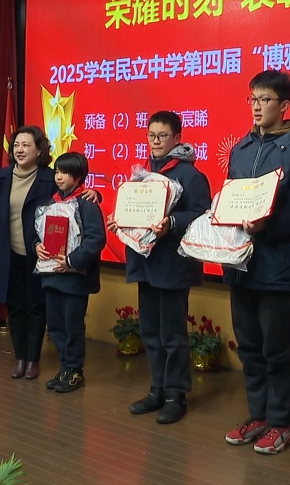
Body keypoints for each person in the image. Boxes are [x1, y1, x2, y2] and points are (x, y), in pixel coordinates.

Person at [222, 70, 290, 455]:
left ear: (284, 105)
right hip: (240, 264)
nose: (256, 107)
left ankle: (281, 422)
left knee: (276, 349)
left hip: (277, 266)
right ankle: (259, 415)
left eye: (264, 100)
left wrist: (269, 223)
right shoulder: (241, 149)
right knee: (249, 346)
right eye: (252, 99)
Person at [107, 111, 211, 424]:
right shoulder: (142, 173)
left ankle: (176, 395)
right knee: (150, 332)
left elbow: (203, 216)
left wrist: (173, 223)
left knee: (172, 335)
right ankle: (157, 389)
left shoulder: (191, 176)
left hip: (174, 265)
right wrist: (120, 221)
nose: (155, 141)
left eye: (162, 136)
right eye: (151, 135)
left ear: (177, 138)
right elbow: (133, 211)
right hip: (145, 262)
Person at [0, 126, 56, 380]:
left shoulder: (50, 178)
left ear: (39, 150)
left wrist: (93, 193)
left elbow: (71, 196)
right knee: (15, 307)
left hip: (38, 255)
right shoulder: (1, 178)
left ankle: (33, 360)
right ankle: (20, 358)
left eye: (26, 145)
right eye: (16, 145)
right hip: (7, 253)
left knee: (36, 307)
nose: (20, 150)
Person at [33, 151, 106, 394]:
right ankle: (65, 367)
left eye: (64, 173)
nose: (58, 177)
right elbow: (39, 233)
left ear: (78, 176)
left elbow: (96, 240)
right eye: (57, 172)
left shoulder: (87, 204)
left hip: (74, 278)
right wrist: (37, 246)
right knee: (55, 326)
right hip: (52, 275)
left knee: (72, 326)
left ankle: (75, 370)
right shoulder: (51, 203)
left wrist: (72, 261)